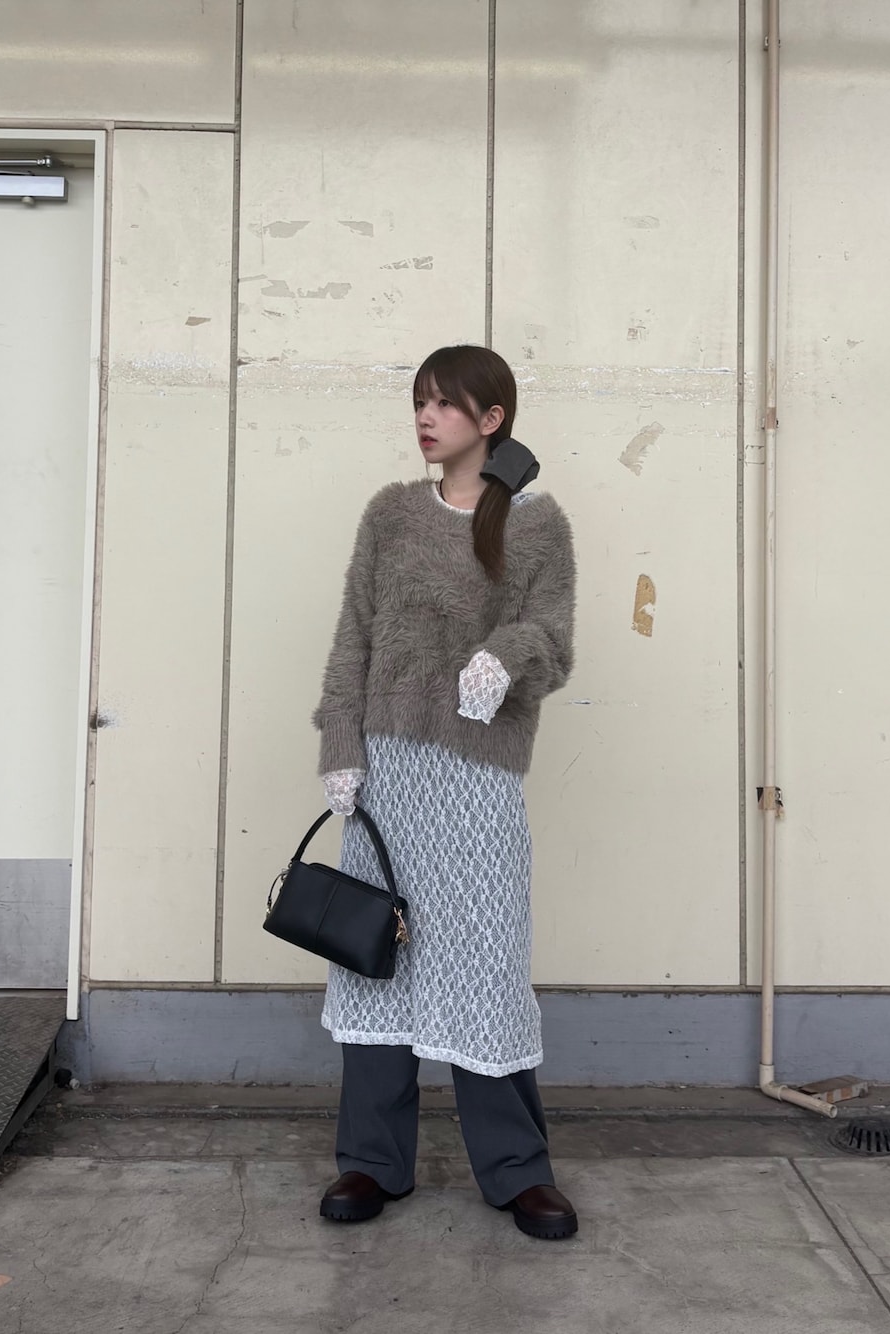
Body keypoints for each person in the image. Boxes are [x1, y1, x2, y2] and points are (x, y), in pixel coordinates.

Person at [312, 344, 578, 1240]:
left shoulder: (538, 525)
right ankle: (371, 1160)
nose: (425, 418)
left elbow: (553, 636)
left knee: (483, 962)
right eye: (419, 401)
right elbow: (353, 635)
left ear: (491, 419)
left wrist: (506, 656)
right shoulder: (390, 515)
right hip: (387, 775)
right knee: (375, 955)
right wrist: (341, 743)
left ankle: (516, 1170)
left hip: (478, 777)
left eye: (444, 404)